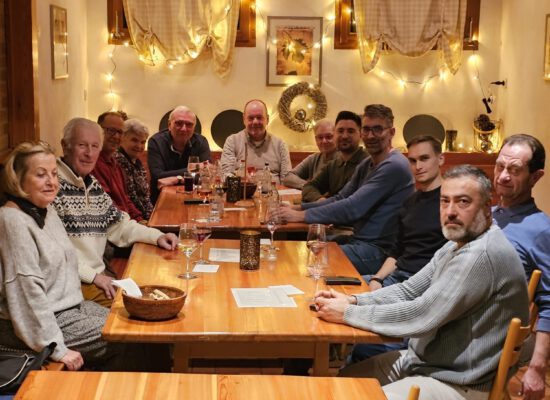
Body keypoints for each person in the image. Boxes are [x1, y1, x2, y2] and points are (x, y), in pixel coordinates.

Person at [314, 165, 529, 400]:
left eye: (463, 202)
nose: (450, 211)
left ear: (487, 208)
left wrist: (347, 313)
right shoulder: (456, 244)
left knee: (350, 395)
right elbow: (409, 290)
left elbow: (422, 314)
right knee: (344, 383)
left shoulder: (480, 255)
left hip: (460, 381)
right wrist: (354, 300)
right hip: (426, 363)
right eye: (445, 201)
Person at [0, 141, 168, 372]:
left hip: (70, 308)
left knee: (147, 327)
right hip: (32, 324)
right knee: (131, 338)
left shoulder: (45, 210)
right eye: (40, 175)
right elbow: (26, 293)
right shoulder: (12, 220)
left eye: (54, 174)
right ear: (18, 179)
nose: (51, 182)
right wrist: (56, 348)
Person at [52, 118, 178, 308]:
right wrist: (93, 276)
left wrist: (157, 236)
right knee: (140, 310)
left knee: (157, 292)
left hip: (96, 277)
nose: (89, 153)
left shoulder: (91, 185)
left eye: (95, 146)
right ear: (65, 146)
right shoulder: (52, 188)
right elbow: (54, 253)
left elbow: (119, 225)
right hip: (73, 282)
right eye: (82, 145)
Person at [275, 104, 414, 275]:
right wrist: (298, 208)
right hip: (358, 242)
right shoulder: (368, 163)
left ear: (391, 132)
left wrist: (300, 216)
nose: (370, 135)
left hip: (379, 251)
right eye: (366, 129)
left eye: (377, 129)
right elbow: (340, 198)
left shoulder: (395, 165)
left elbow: (352, 207)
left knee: (301, 259)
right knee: (293, 251)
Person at [347, 135, 448, 364]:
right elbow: (396, 250)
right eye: (412, 160)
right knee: (330, 293)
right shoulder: (411, 202)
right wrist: (377, 278)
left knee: (365, 345)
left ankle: (353, 368)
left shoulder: (449, 203)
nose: (418, 166)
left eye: (424, 158)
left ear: (440, 159)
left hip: (422, 287)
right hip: (396, 277)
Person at [492, 134, 550, 400]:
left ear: (535, 177)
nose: (503, 176)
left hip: (488, 341)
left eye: (514, 170)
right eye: (500, 166)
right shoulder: (486, 215)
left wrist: (537, 368)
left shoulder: (541, 229)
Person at [147, 106, 211, 202]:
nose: (184, 128)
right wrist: (192, 169)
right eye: (179, 123)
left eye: (189, 124)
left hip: (195, 198)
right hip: (162, 200)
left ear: (194, 127)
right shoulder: (156, 142)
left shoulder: (201, 142)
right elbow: (157, 176)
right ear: (169, 125)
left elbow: (206, 175)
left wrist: (177, 179)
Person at [301, 111, 366, 203]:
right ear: (335, 134)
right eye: (340, 131)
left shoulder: (368, 163)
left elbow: (352, 203)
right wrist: (320, 200)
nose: (344, 136)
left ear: (361, 135)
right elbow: (309, 187)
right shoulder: (333, 165)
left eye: (351, 131)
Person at [221, 99, 291, 183]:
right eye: (250, 118)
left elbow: (287, 180)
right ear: (244, 120)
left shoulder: (280, 145)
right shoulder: (232, 141)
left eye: (259, 117)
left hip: (274, 190)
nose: (255, 122)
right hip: (243, 190)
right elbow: (226, 174)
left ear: (267, 119)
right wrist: (240, 179)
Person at [92, 111, 143, 221]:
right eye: (111, 131)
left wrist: (140, 219)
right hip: (116, 226)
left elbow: (126, 199)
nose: (116, 136)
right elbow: (108, 205)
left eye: (120, 132)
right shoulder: (93, 163)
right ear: (98, 131)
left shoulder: (115, 164)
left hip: (127, 223)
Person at [114, 118, 154, 220]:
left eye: (143, 142)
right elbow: (131, 198)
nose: (139, 146)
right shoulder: (119, 160)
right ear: (122, 138)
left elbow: (145, 197)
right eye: (134, 140)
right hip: (133, 220)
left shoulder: (136, 161)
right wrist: (147, 221)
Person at [283, 119, 337, 189]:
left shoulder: (344, 160)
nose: (324, 141)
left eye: (329, 137)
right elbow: (288, 177)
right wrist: (309, 186)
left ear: (337, 137)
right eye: (320, 137)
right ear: (316, 139)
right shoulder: (313, 159)